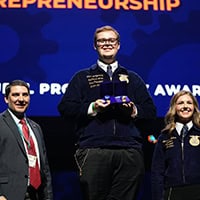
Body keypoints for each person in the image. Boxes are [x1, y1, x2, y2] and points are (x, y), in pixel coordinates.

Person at [58, 25, 156, 200]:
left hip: (129, 151)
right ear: (95, 46)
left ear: (118, 45)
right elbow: (66, 108)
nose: (107, 44)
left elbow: (150, 110)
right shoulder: (82, 77)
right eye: (102, 40)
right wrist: (93, 107)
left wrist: (133, 110)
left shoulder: (133, 78)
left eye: (111, 40)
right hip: (94, 149)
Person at [0, 80, 53, 200]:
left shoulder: (35, 127)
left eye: (25, 95)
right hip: (8, 195)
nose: (21, 99)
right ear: (6, 99)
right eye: (15, 95)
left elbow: (44, 168)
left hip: (36, 194)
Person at [151, 90, 200, 200]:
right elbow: (157, 171)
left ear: (194, 107)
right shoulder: (164, 136)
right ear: (174, 107)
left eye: (189, 102)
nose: (185, 106)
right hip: (173, 192)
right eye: (181, 103)